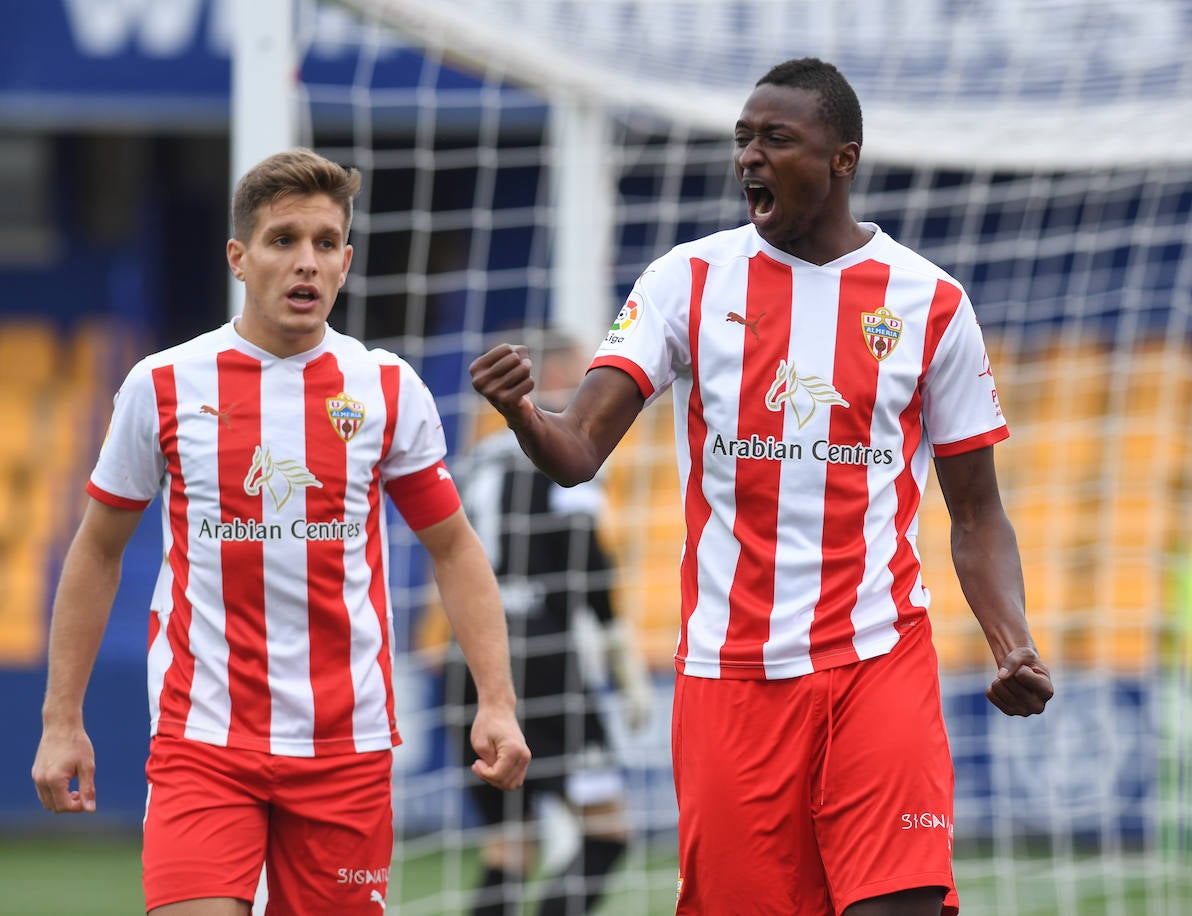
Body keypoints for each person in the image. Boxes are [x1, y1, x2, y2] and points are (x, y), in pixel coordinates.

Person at [469, 58, 1054, 915]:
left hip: (877, 657)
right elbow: (577, 451)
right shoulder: (687, 282)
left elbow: (977, 511)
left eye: (776, 139)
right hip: (730, 675)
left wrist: (1013, 640)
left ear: (842, 159)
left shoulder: (930, 302)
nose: (750, 156)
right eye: (742, 139)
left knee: (902, 903)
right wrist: (524, 413)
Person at [31, 147, 531, 916]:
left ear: (347, 260)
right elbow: (97, 549)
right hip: (204, 739)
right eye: (284, 240)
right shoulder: (162, 385)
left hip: (347, 747)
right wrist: (62, 718)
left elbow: (454, 547)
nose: (307, 263)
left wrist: (496, 699)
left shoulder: (387, 388)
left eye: (325, 243)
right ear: (239, 257)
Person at [445, 329, 653, 916]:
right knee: (607, 832)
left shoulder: (478, 455)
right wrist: (620, 653)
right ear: (555, 373)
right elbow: (583, 550)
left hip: (472, 659)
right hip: (541, 660)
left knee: (510, 846)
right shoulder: (565, 447)